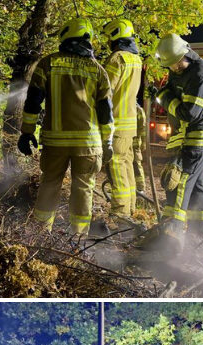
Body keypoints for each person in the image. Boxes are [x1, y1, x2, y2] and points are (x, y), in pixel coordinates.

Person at [19, 18, 113, 234]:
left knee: (49, 184)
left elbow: (33, 101)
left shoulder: (48, 63)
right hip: (88, 145)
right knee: (83, 190)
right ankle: (77, 240)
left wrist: (27, 132)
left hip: (55, 142)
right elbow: (106, 113)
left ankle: (41, 235)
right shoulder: (98, 71)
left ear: (65, 36)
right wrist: (107, 142)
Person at [150, 33, 203, 247]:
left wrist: (164, 97)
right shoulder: (179, 68)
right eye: (169, 66)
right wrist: (163, 94)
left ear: (185, 54)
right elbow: (169, 92)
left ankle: (172, 236)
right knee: (198, 186)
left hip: (198, 137)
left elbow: (189, 114)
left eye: (175, 64)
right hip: (186, 135)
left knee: (179, 183)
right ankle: (199, 236)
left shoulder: (201, 75)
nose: (172, 69)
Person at [101, 18, 143, 221]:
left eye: (110, 37)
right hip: (130, 126)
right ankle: (132, 209)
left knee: (116, 169)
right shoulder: (136, 59)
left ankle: (119, 214)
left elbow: (104, 91)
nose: (109, 41)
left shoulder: (117, 58)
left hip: (116, 124)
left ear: (116, 35)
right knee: (127, 167)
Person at [134, 103, 147, 193]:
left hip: (134, 143)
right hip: (122, 142)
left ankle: (140, 188)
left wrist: (143, 142)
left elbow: (142, 129)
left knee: (136, 165)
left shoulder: (138, 110)